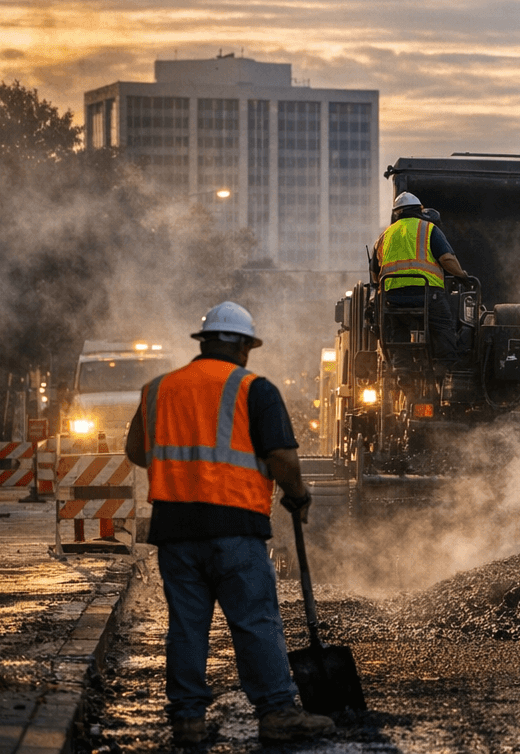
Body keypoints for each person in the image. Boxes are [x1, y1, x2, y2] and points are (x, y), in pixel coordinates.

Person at [124, 302, 335, 745]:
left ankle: (187, 720)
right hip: (235, 527)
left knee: (186, 626)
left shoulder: (158, 388)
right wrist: (297, 496)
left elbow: (138, 453)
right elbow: (282, 458)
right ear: (244, 346)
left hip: (175, 530)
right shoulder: (255, 389)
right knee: (255, 620)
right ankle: (276, 712)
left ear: (204, 343)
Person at [374, 191, 470, 370]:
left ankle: (402, 370)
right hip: (426, 296)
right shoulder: (428, 229)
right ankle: (446, 368)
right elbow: (446, 259)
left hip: (393, 298)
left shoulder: (384, 236)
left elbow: (374, 273)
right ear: (419, 209)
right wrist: (462, 276)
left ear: (397, 213)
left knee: (397, 328)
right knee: (442, 325)